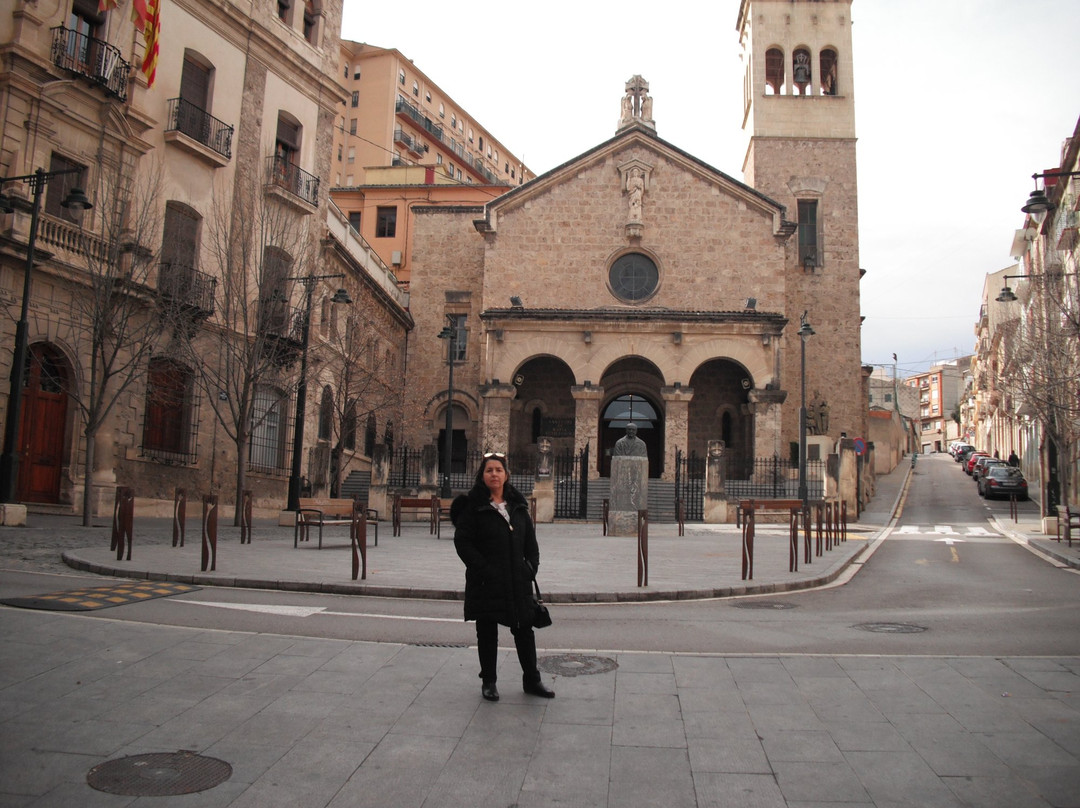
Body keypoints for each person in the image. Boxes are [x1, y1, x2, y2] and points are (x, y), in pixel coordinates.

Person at [452, 452, 555, 702]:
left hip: (517, 579)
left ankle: (532, 679)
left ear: (506, 475)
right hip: (486, 580)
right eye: (489, 470)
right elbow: (463, 543)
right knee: (487, 631)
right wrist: (484, 569)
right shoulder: (473, 506)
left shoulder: (517, 505)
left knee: (524, 629)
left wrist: (531, 568)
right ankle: (489, 682)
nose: (494, 474)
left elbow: (531, 541)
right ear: (482, 475)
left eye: (498, 470)